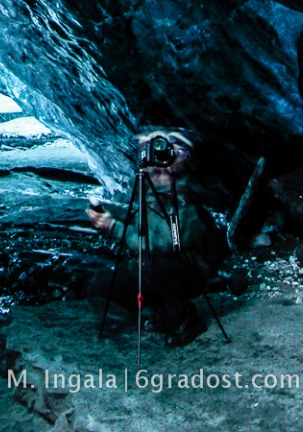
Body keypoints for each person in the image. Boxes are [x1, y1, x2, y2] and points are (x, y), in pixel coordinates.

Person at [86, 129, 225, 348]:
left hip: (189, 269)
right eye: (155, 172)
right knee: (105, 281)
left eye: (163, 172)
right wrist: (108, 218)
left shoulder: (186, 200)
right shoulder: (150, 196)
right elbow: (141, 233)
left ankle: (187, 319)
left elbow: (170, 243)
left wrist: (113, 227)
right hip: (156, 265)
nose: (158, 177)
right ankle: (162, 311)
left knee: (153, 264)